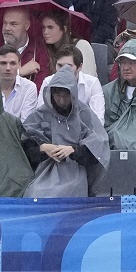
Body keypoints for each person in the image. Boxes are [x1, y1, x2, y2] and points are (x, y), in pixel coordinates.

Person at [22, 68, 109, 197]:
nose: (61, 101)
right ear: (50, 93)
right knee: (35, 192)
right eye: (57, 95)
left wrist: (74, 150)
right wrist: (43, 148)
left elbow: (98, 146)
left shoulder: (84, 114)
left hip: (74, 170)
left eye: (66, 95)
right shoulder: (40, 114)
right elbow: (25, 144)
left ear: (73, 94)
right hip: (44, 170)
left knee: (71, 192)